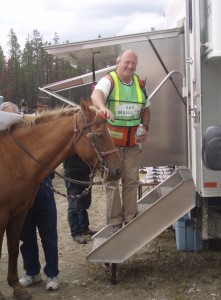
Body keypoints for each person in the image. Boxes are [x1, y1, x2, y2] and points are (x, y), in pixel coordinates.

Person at [91, 49, 150, 233]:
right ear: (119, 63)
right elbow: (96, 95)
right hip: (112, 146)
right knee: (112, 182)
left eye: (133, 63)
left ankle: (130, 217)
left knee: (131, 181)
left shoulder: (139, 84)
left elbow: (146, 109)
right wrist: (103, 108)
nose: (130, 66)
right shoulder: (109, 80)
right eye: (127, 62)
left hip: (132, 144)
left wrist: (145, 127)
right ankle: (115, 221)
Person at [17, 99, 60, 291]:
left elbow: (51, 166)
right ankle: (32, 272)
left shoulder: (38, 143)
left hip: (43, 193)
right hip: (23, 198)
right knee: (26, 237)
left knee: (48, 236)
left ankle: (52, 275)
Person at [63, 154, 97, 244]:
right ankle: (76, 233)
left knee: (84, 203)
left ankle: (84, 228)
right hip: (73, 174)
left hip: (85, 173)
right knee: (74, 206)